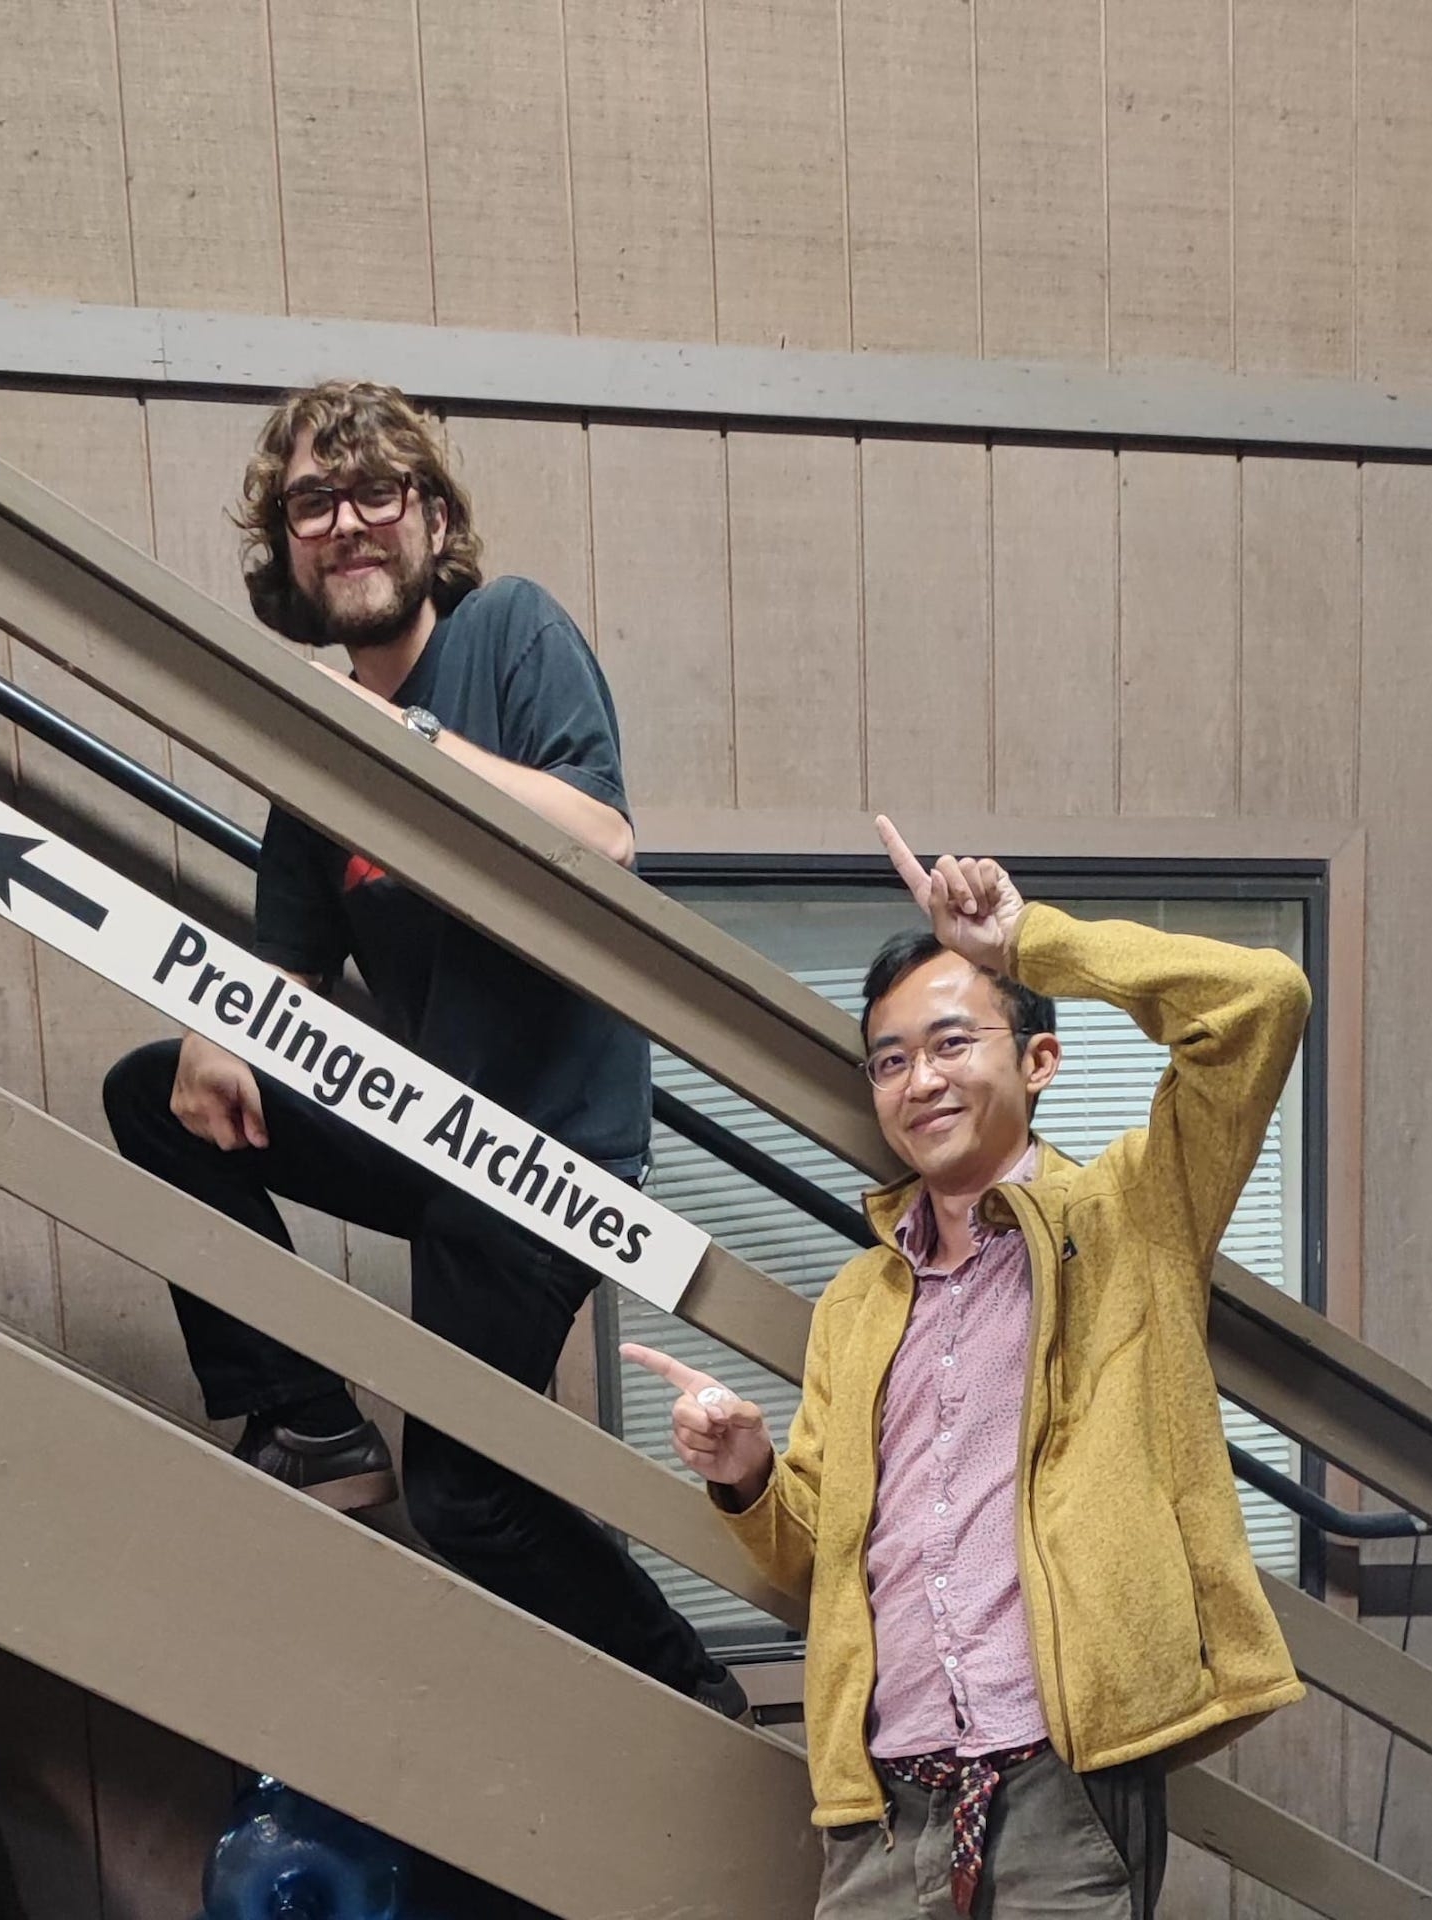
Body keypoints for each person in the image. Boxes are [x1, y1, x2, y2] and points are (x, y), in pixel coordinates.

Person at [104, 380, 745, 1721]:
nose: (345, 523)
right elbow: (280, 963)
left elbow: (602, 840)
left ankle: (697, 1701)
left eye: (374, 493)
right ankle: (312, 1424)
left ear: (429, 516)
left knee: (467, 1495)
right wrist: (222, 1031)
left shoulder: (509, 635)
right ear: (286, 549)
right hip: (426, 1127)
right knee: (154, 1090)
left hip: (549, 1153)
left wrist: (408, 742)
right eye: (311, 504)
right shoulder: (310, 754)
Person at [626, 823, 1312, 1916]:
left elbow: (1261, 1000)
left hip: (1063, 1786)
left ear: (1038, 1060)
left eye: (953, 1042)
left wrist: (1025, 943)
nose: (919, 1080)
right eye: (891, 1060)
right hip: (881, 1807)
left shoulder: (1134, 1215)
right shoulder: (860, 1303)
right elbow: (825, 1556)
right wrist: (749, 1475)